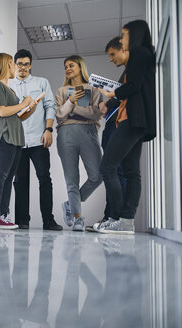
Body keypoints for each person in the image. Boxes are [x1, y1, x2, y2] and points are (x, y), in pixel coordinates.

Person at [97, 20, 156, 234]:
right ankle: (126, 220)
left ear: (135, 33)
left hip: (133, 119)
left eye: (124, 35)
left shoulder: (139, 53)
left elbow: (133, 86)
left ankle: (117, 217)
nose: (122, 40)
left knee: (107, 167)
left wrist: (113, 93)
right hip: (137, 120)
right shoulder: (145, 54)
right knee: (131, 172)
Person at [9, 49, 62, 231]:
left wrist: (48, 129)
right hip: (17, 141)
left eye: (26, 64)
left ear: (30, 65)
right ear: (15, 65)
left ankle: (48, 220)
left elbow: (50, 106)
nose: (23, 67)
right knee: (20, 182)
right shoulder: (8, 85)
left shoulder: (41, 82)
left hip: (39, 139)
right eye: (19, 64)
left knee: (44, 179)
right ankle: (22, 221)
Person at [0, 53, 38, 229]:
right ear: (5, 64)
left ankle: (3, 214)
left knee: (9, 178)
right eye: (12, 64)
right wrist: (23, 104)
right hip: (4, 136)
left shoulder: (10, 89)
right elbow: (1, 112)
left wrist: (30, 109)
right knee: (1, 175)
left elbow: (16, 117)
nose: (15, 67)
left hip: (16, 138)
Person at [55, 55, 103, 231]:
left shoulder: (93, 89)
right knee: (71, 179)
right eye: (66, 66)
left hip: (88, 132)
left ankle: (70, 203)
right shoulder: (61, 91)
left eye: (71, 65)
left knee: (98, 175)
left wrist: (73, 107)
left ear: (80, 67)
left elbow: (96, 113)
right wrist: (70, 100)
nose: (68, 69)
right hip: (66, 133)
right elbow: (60, 115)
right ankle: (78, 218)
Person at [86, 37, 129, 232]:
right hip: (113, 123)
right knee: (113, 172)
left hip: (120, 126)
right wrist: (107, 103)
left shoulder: (134, 72)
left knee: (115, 171)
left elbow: (124, 95)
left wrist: (107, 102)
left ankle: (116, 218)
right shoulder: (127, 73)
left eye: (112, 54)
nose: (110, 59)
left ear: (124, 48)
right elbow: (120, 95)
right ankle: (109, 216)